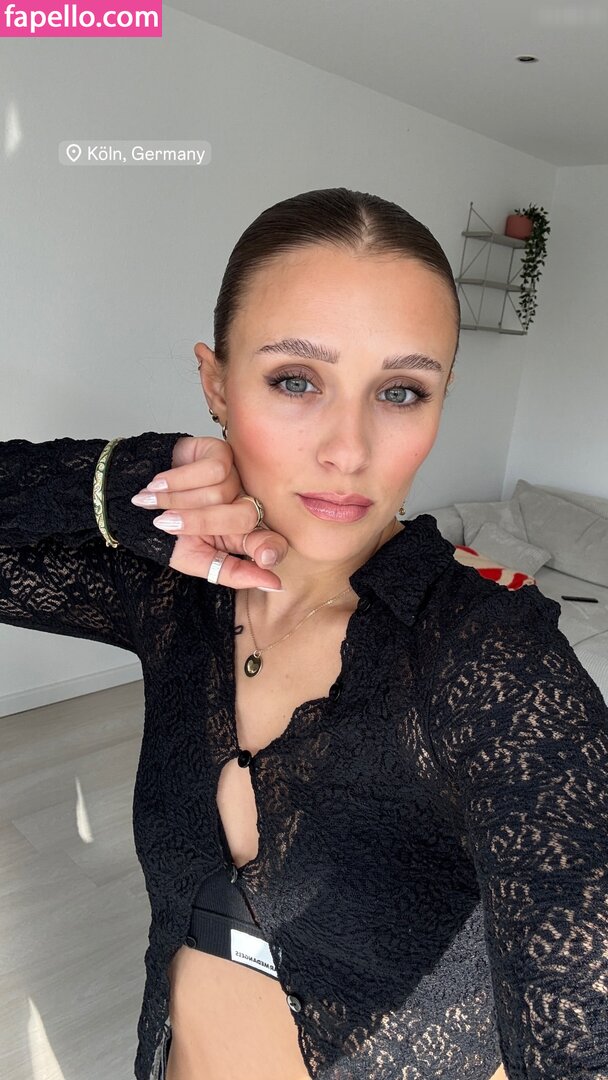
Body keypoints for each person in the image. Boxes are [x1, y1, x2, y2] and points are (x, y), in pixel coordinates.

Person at [1, 187, 606, 1080]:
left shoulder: (490, 657)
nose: (348, 449)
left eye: (401, 391)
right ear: (216, 384)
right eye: (296, 380)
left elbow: (580, 999)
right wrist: (120, 480)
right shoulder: (168, 587)